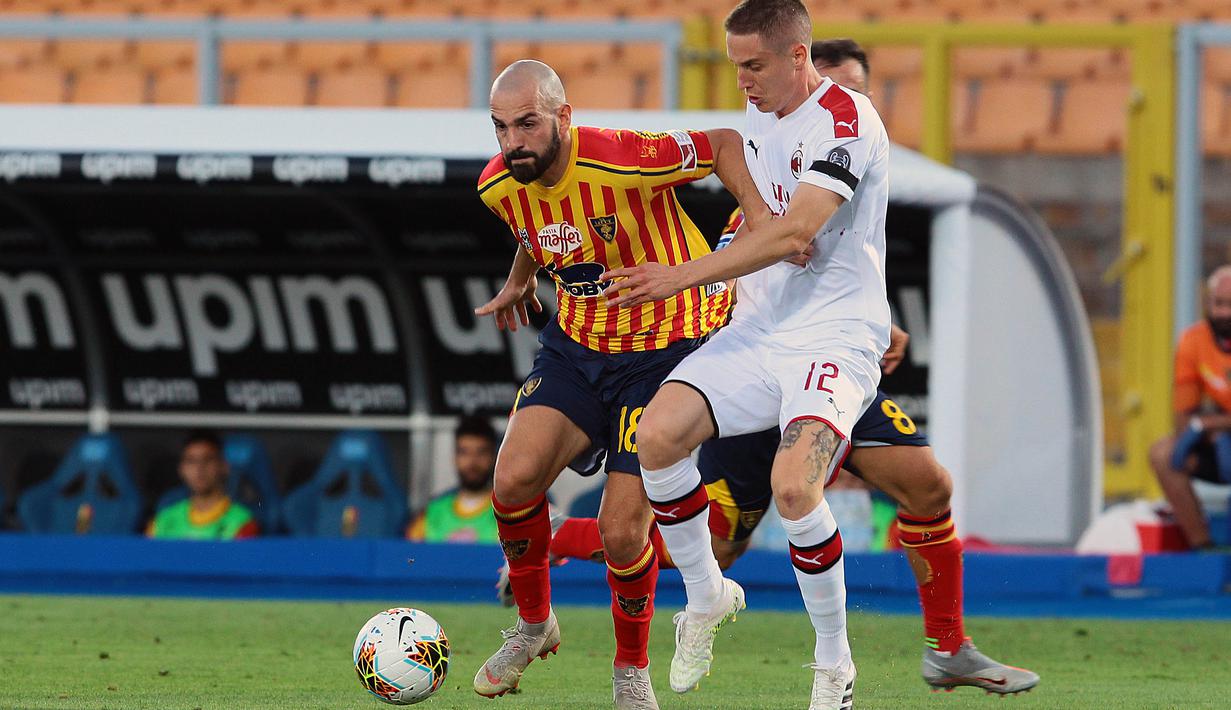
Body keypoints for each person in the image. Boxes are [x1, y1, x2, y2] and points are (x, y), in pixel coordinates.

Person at [603, 2, 894, 705]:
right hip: (761, 330)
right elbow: (735, 150)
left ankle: (833, 667)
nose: (742, 80)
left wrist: (678, 275)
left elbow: (800, 229)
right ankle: (706, 596)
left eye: (753, 65)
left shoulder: (847, 123)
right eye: (735, 66)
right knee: (658, 437)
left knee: (795, 487)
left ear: (798, 57)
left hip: (834, 335)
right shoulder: (760, 114)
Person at [470, 59, 769, 709]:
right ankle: (532, 624)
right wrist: (521, 277)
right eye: (500, 128)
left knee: (621, 530)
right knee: (513, 480)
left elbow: (721, 144)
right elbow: (539, 225)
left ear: (562, 117)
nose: (512, 141)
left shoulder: (619, 157)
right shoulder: (497, 186)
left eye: (527, 123)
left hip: (664, 350)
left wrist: (761, 227)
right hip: (577, 347)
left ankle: (630, 672)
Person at [1149, 265, 1231, 550]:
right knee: (1163, 454)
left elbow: (1202, 421)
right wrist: (1214, 433)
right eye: (1219, 303)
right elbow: (1184, 418)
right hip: (1221, 442)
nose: (1225, 313)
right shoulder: (1193, 341)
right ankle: (1203, 547)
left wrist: (1213, 424)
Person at [147, 429, 258, 540]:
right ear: (181, 469)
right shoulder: (161, 522)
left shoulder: (242, 522)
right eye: (191, 461)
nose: (199, 468)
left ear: (224, 466)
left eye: (208, 459)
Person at [407, 416, 500, 544]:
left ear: (494, 457)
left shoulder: (506, 512)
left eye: (481, 452)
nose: (472, 462)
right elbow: (409, 557)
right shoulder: (431, 513)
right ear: (454, 457)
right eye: (464, 452)